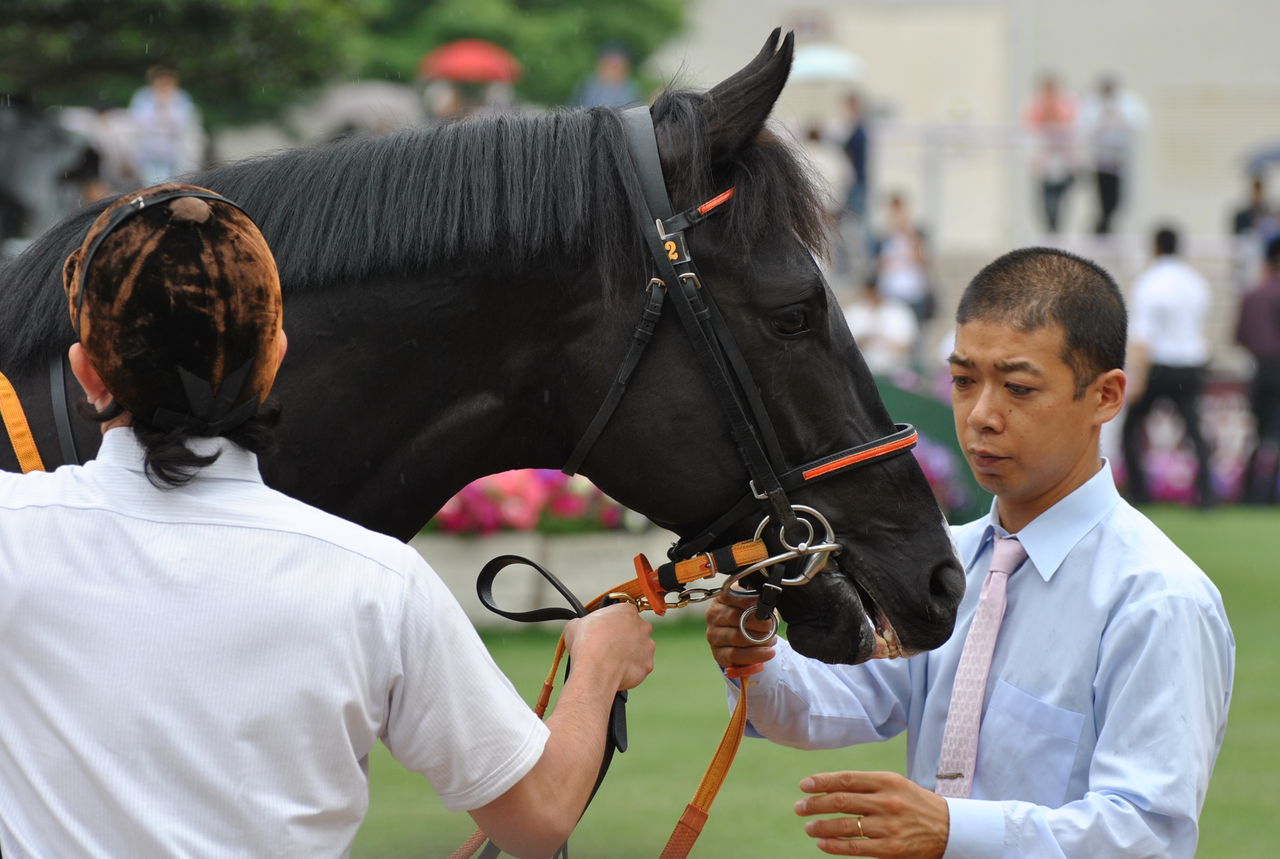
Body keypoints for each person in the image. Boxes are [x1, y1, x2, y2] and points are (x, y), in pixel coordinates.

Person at [0, 183, 655, 857]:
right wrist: (598, 666)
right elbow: (539, 818)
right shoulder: (376, 581)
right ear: (277, 354)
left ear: (87, 371)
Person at [706, 246, 1234, 857]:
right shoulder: (950, 561)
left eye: (1017, 387)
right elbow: (836, 704)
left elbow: (1148, 834)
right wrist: (753, 656)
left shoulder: (1156, 597)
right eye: (963, 381)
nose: (981, 415)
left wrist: (954, 830)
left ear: (1106, 397)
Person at [1121, 226, 1215, 508]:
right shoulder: (1197, 282)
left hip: (1159, 365)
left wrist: (1136, 376)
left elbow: (1143, 336)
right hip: (1191, 364)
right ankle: (1207, 496)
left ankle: (1139, 493)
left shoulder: (1149, 283)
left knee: (1131, 429)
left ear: (1156, 247)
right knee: (1194, 432)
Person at [1236, 233, 1280, 503]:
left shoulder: (1252, 295)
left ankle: (1251, 491)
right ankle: (1273, 494)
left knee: (1258, 433)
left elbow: (1239, 335)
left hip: (1259, 370)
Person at [1078, 76, 1143, 235]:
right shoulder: (1091, 104)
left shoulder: (1126, 102)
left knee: (1116, 200)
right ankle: (1101, 227)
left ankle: (1105, 225)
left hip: (1119, 159)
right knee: (1102, 198)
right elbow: (1085, 127)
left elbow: (1136, 123)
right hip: (1099, 159)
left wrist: (1116, 115)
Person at [128, 65, 204, 185]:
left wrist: (166, 107)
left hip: (175, 151)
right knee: (152, 185)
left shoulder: (182, 98)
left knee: (177, 184)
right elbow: (138, 122)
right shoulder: (143, 97)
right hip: (149, 150)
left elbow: (184, 123)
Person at [1022, 72, 1077, 234]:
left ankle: (1057, 229)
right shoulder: (1036, 105)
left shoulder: (1066, 104)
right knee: (1047, 200)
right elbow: (1031, 129)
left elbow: (1070, 127)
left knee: (1061, 198)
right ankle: (1050, 229)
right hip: (1046, 159)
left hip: (1062, 158)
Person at [842, 273, 919, 378]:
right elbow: (844, 345)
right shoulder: (854, 312)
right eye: (872, 290)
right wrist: (864, 340)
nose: (874, 294)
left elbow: (907, 346)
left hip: (894, 373)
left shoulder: (899, 311)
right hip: (861, 373)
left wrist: (883, 342)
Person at [569, 44, 642, 109]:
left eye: (617, 66)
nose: (613, 71)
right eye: (609, 65)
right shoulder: (586, 85)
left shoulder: (632, 89)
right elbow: (572, 109)